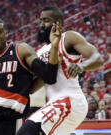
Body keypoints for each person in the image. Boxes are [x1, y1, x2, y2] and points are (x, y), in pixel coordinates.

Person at [17, 6, 103, 135]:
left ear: (58, 23)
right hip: (54, 104)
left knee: (26, 131)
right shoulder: (40, 52)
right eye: (40, 21)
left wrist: (82, 65)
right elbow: (37, 85)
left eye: (45, 20)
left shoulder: (68, 37)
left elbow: (97, 57)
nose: (41, 24)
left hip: (70, 101)